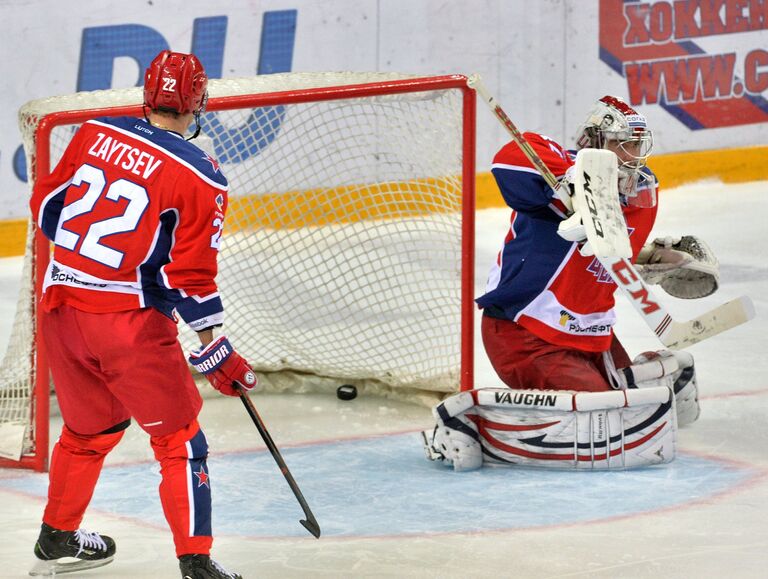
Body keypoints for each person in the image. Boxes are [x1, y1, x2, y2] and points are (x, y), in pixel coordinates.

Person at [28, 50, 257, 579]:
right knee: (181, 441)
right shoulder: (203, 175)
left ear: (148, 93)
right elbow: (189, 275)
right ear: (198, 100)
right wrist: (212, 344)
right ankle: (195, 562)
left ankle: (57, 535)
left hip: (62, 309)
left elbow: (46, 208)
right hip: (127, 323)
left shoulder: (93, 133)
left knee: (90, 430)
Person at [476, 95, 717, 421]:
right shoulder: (562, 181)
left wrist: (656, 258)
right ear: (597, 141)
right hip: (527, 335)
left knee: (649, 403)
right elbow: (509, 159)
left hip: (592, 334)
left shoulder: (643, 193)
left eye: (638, 144)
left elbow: (603, 251)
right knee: (607, 418)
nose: (634, 155)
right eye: (624, 144)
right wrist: (570, 180)